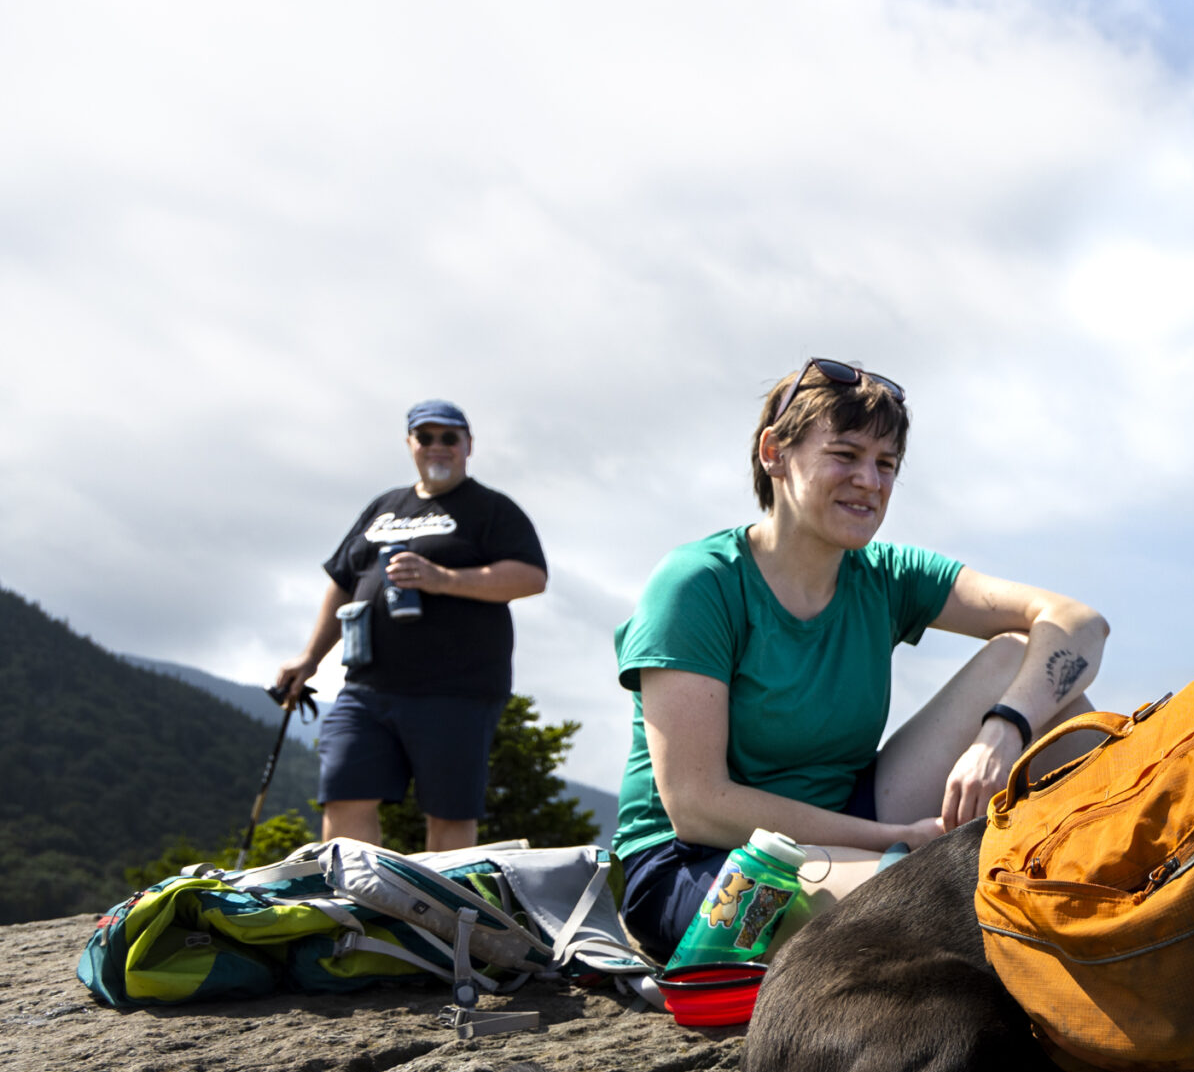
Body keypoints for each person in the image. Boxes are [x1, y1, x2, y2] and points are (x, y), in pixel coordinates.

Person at [612, 358, 1109, 962]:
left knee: (1018, 662)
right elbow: (696, 805)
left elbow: (1079, 624)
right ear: (774, 452)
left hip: (848, 816)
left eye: (886, 464)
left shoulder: (886, 576)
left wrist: (1004, 731)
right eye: (844, 455)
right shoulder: (697, 584)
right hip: (701, 865)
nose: (869, 481)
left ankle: (1123, 870)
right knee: (933, 908)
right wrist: (891, 842)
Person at [274, 399, 549, 855]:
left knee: (449, 813)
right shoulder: (383, 507)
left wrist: (441, 579)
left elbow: (530, 577)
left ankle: (440, 923)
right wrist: (310, 657)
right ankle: (356, 912)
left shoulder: (491, 509)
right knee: (343, 795)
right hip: (366, 687)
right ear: (410, 444)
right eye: (425, 437)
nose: (437, 447)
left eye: (449, 438)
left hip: (456, 690)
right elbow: (343, 583)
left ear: (468, 446)